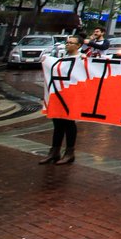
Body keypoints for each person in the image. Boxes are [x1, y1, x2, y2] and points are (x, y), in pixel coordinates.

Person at [40, 35, 82, 166]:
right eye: (67, 42)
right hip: (59, 94)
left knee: (69, 123)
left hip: (72, 96)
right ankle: (54, 151)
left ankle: (70, 153)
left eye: (71, 43)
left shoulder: (82, 59)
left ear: (78, 46)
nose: (67, 44)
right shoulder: (62, 58)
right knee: (57, 123)